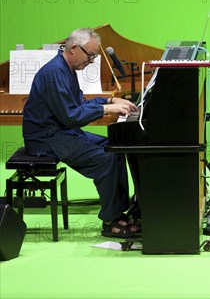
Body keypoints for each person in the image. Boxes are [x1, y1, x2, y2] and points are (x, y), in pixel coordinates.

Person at [22, 28, 141, 238]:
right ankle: (110, 221)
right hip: (46, 139)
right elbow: (71, 116)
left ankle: (121, 210)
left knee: (115, 146)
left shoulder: (66, 69)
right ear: (75, 48)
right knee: (105, 159)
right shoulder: (54, 73)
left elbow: (78, 104)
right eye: (91, 55)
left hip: (61, 132)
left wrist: (110, 100)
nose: (93, 61)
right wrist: (106, 108)